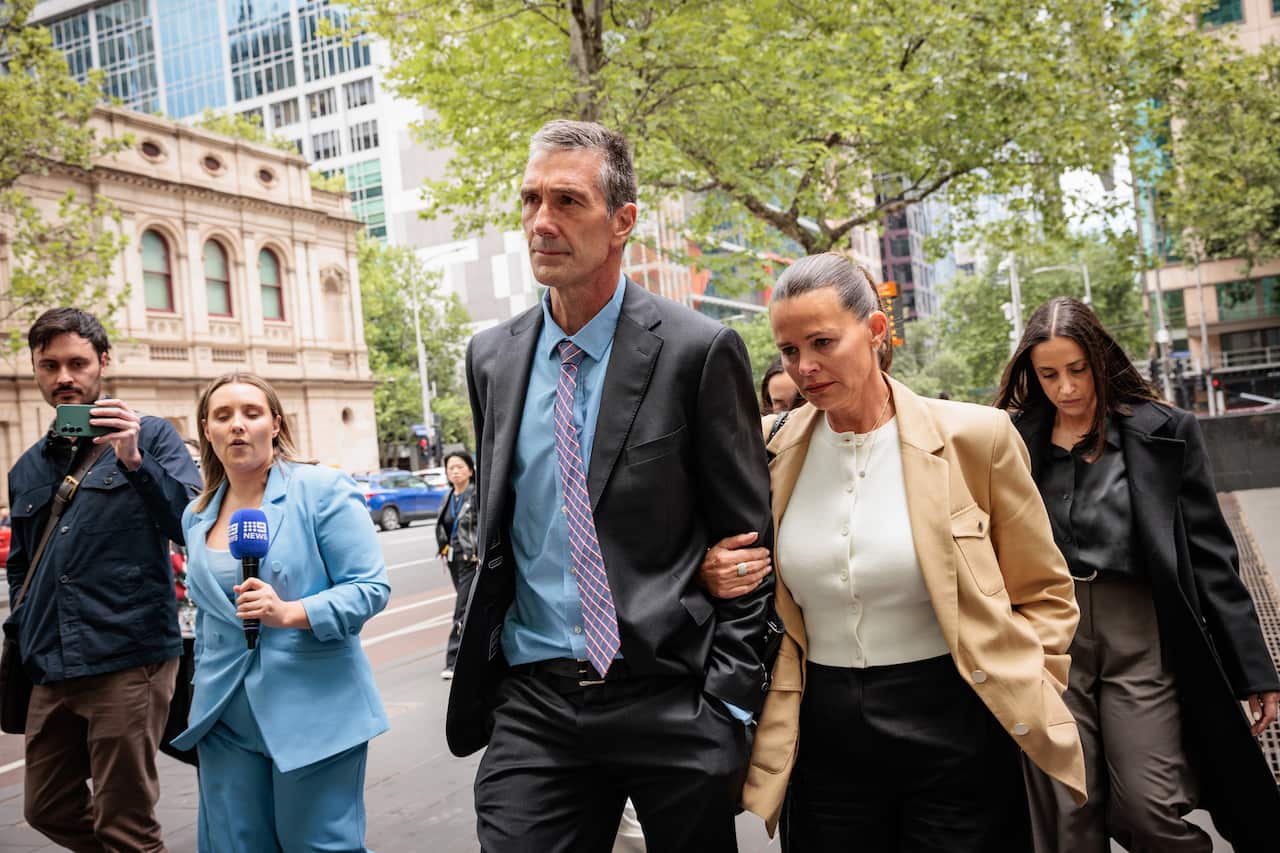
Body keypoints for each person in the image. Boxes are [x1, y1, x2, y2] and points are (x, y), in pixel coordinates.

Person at [449, 119, 775, 852]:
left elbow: (750, 543)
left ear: (623, 220)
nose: (541, 222)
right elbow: (497, 526)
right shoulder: (490, 360)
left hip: (668, 690)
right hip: (534, 698)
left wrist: (727, 703)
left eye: (567, 202)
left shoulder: (698, 351)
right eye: (531, 200)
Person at [701, 254, 1085, 850]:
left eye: (823, 341)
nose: (805, 367)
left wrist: (1031, 683)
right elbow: (728, 560)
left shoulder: (975, 438)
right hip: (821, 734)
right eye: (788, 350)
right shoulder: (768, 452)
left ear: (876, 332)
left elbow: (1044, 590)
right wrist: (713, 571)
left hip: (958, 720)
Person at [994, 297, 1280, 852]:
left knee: (1147, 810)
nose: (1066, 387)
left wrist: (1255, 670)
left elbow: (1211, 556)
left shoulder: (1164, 432)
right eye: (1049, 374)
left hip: (1142, 635)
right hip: (1049, 640)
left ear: (1101, 359)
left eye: (1078, 369)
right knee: (1067, 818)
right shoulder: (1008, 441)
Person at [4, 307, 201, 851]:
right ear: (36, 370)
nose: (64, 377)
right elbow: (21, 560)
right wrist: (26, 618)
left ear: (102, 363)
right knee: (45, 807)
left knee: (126, 822)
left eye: (77, 363)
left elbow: (190, 524)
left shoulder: (153, 436)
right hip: (50, 663)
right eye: (50, 365)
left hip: (127, 656)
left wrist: (135, 461)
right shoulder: (27, 467)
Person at [168, 373, 390, 852]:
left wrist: (289, 612)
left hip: (314, 705)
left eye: (251, 413)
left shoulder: (322, 489)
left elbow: (370, 588)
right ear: (207, 429)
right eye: (223, 416)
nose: (238, 426)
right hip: (225, 715)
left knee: (318, 846)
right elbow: (208, 619)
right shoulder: (197, 513)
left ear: (275, 423)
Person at [435, 450, 479, 680]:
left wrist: (478, 551)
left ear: (470, 470)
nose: (455, 471)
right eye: (450, 467)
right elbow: (443, 526)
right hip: (452, 559)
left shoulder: (476, 495)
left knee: (461, 609)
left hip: (470, 559)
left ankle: (453, 661)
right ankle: (477, 653)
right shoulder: (449, 496)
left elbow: (483, 524)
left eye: (460, 466)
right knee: (470, 608)